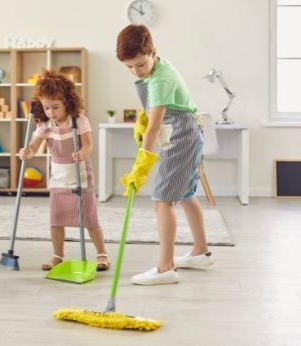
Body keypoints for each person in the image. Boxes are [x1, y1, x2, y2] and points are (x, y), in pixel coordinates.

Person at [116, 25, 213, 285]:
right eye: (129, 67)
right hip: (186, 133)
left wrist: (141, 165)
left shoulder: (160, 79)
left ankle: (165, 268)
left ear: (152, 52)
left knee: (162, 200)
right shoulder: (156, 68)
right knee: (185, 195)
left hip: (182, 135)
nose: (136, 71)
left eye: (139, 64)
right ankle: (201, 252)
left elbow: (156, 126)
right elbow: (153, 113)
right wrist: (142, 118)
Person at [19, 70, 109, 271]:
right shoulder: (45, 125)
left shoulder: (79, 121)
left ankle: (102, 254)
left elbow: (88, 145)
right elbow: (34, 145)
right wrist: (28, 151)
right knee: (56, 219)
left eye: (55, 107)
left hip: (80, 177)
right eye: (46, 108)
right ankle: (58, 255)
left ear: (67, 102)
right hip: (59, 178)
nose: (51, 112)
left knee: (89, 219)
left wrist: (83, 153)